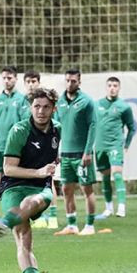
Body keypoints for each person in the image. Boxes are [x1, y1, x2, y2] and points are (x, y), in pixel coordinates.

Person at [0, 87, 59, 273]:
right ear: (30, 107)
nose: (41, 111)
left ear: (53, 109)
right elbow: (8, 169)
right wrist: (38, 171)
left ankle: (5, 223)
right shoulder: (19, 131)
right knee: (24, 240)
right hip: (13, 186)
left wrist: (52, 165)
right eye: (36, 106)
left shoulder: (57, 130)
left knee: (32, 202)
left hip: (40, 188)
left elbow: (52, 154)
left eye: (46, 107)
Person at [0, 67, 28, 228]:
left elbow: (24, 124)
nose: (7, 80)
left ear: (15, 79)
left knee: (15, 184)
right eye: (4, 78)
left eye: (9, 78)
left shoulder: (22, 100)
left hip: (15, 149)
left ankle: (18, 213)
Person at [54, 69, 98, 236]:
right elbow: (56, 127)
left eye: (73, 81)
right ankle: (71, 225)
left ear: (79, 82)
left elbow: (93, 126)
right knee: (66, 189)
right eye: (67, 80)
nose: (70, 84)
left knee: (87, 189)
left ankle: (90, 225)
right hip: (65, 155)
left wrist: (87, 152)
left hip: (81, 155)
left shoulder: (86, 101)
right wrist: (55, 150)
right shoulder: (59, 102)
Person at [94, 76, 137, 218]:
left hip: (115, 145)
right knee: (105, 177)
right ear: (106, 87)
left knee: (117, 173)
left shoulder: (124, 107)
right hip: (100, 146)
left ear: (119, 88)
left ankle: (122, 207)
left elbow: (132, 127)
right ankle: (108, 208)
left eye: (115, 85)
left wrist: (126, 145)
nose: (112, 88)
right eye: (110, 85)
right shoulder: (96, 105)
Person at [24, 70, 59, 230]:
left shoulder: (46, 101)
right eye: (28, 82)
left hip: (45, 146)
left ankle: (52, 216)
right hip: (29, 148)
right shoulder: (22, 101)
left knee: (48, 180)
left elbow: (56, 127)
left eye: (34, 81)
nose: (31, 84)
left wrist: (56, 150)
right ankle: (38, 217)